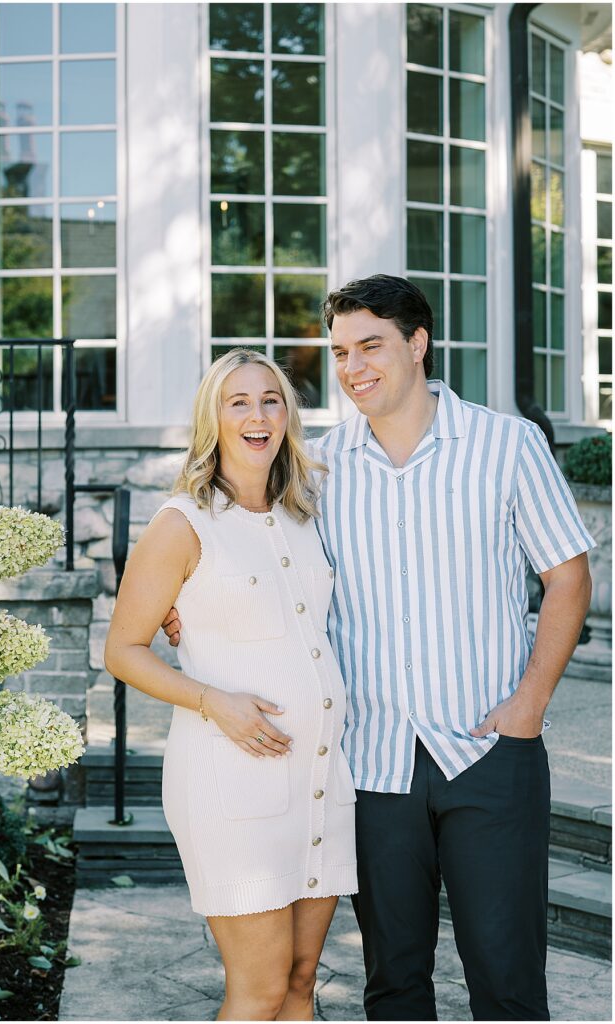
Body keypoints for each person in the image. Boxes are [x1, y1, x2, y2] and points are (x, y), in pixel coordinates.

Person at [164, 276, 595, 1021]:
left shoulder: (507, 445)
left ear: (417, 344)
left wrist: (529, 704)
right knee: (393, 984)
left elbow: (568, 576)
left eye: (370, 346)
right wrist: (182, 601)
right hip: (369, 765)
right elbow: (250, 546)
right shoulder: (318, 468)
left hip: (488, 751)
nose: (353, 367)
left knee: (508, 983)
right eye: (339, 352)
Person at [105, 349, 358, 1023]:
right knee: (259, 990)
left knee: (301, 982)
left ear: (288, 414)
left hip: (319, 780)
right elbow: (122, 650)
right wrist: (211, 699)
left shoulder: (306, 514)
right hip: (232, 784)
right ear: (211, 418)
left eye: (271, 399)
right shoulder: (181, 523)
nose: (257, 414)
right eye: (237, 401)